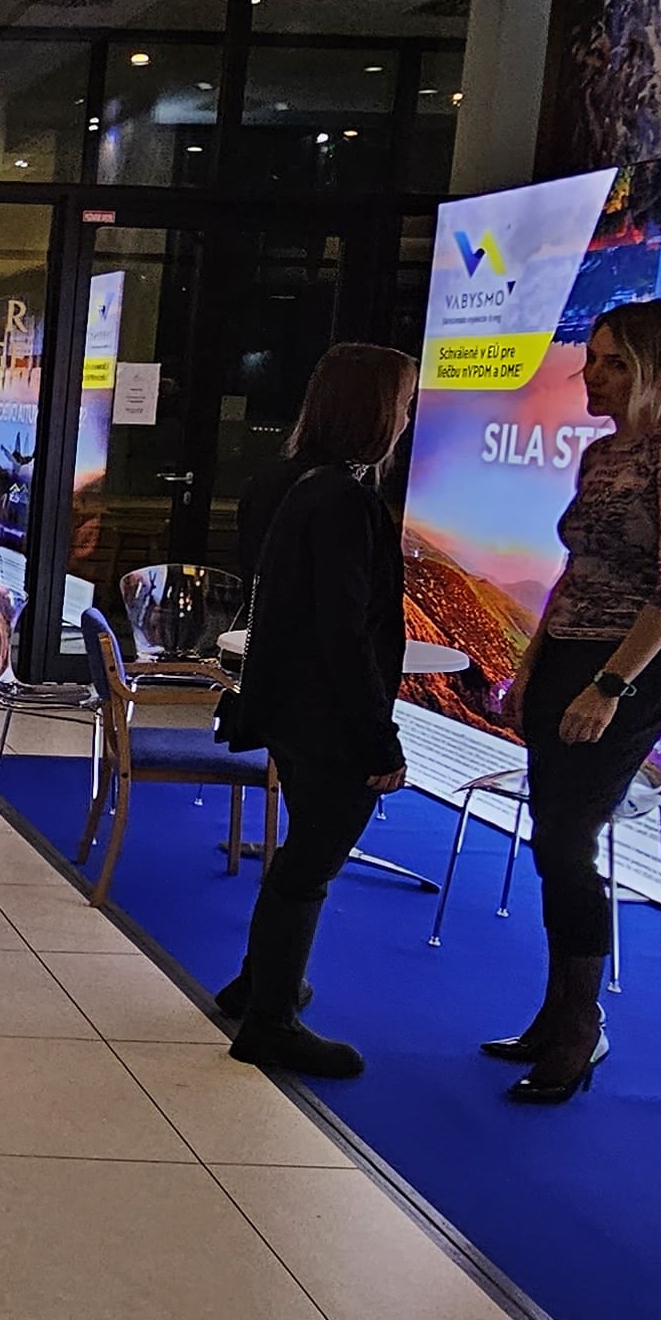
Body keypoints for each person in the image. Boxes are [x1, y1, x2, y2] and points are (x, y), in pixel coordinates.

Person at [492, 297, 661, 1103]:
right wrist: (532, 665)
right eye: (592, 359)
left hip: (630, 669)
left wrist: (610, 684)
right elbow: (576, 574)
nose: (594, 376)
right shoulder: (599, 457)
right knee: (550, 834)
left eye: (616, 362)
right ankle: (556, 1014)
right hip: (566, 655)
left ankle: (579, 1026)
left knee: (568, 842)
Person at [209, 341, 418, 1077]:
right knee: (309, 866)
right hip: (329, 715)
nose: (404, 419)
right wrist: (379, 741)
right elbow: (347, 632)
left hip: (288, 705)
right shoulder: (346, 502)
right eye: (400, 403)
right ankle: (270, 1019)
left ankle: (260, 984)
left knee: (302, 856)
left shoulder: (288, 485)